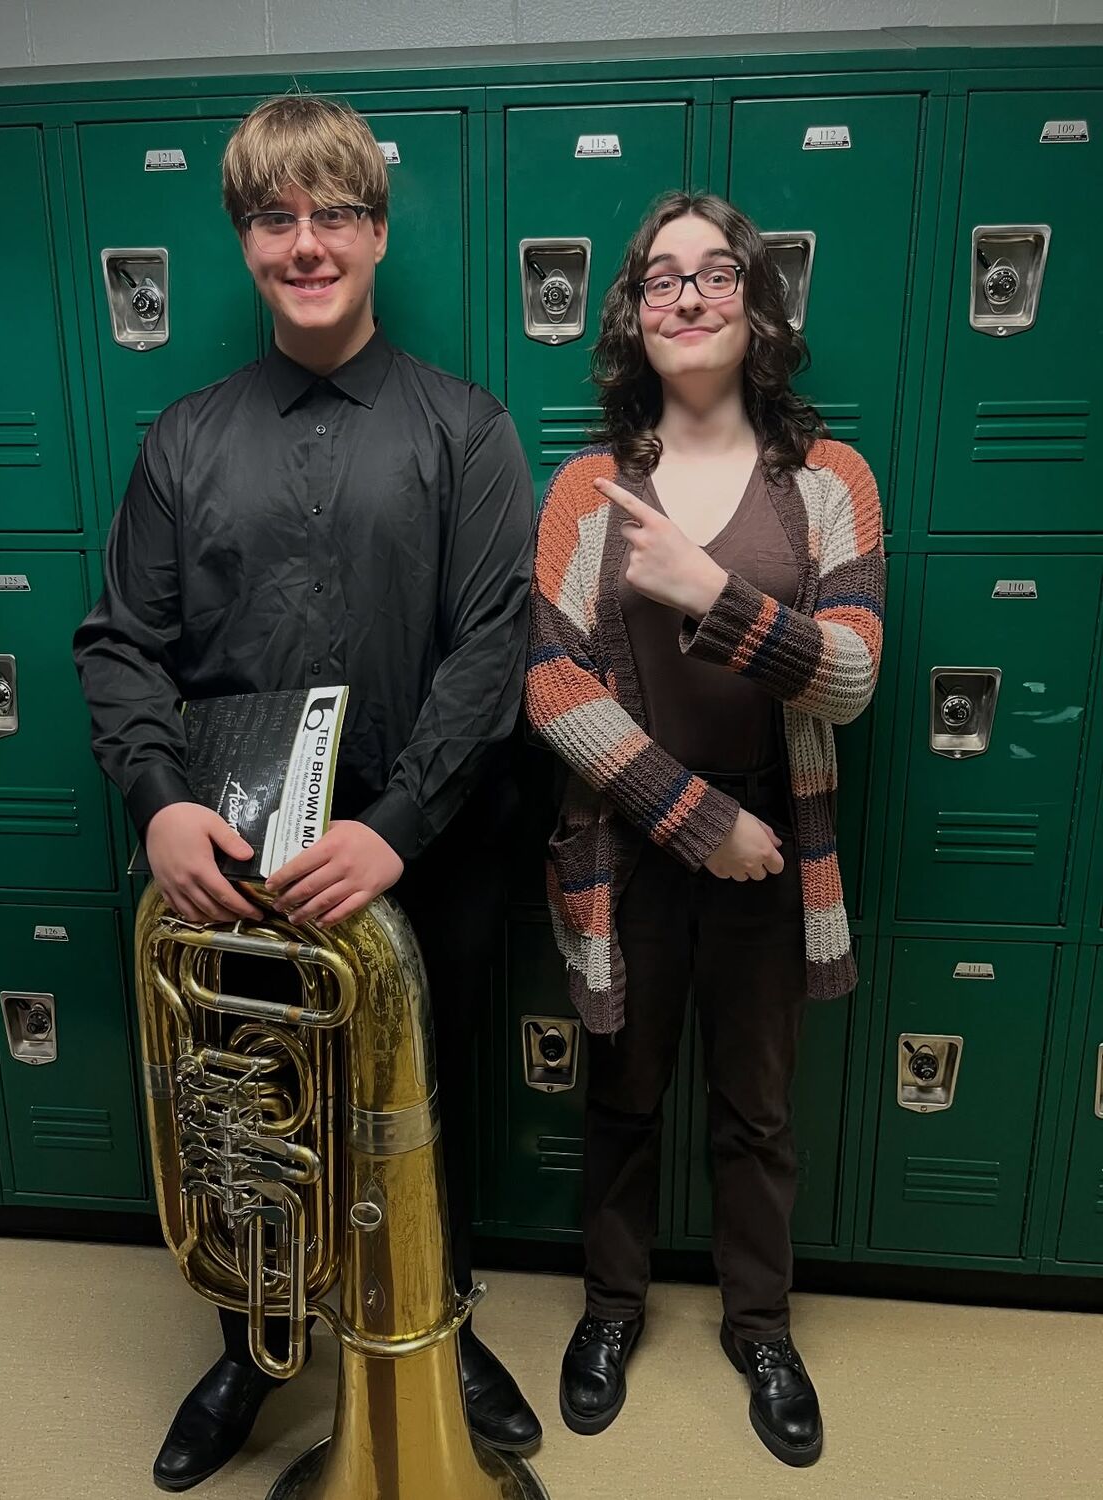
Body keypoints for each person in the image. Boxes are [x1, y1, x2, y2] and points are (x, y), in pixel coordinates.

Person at [73, 94, 540, 1493]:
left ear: (378, 232)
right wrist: (158, 802)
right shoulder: (183, 440)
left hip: (419, 857)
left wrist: (394, 830)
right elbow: (118, 644)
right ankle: (254, 1349)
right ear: (247, 243)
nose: (307, 242)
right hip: (234, 865)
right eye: (277, 218)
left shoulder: (468, 429)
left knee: (425, 1103)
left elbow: (490, 652)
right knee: (242, 1115)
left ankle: (435, 1333)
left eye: (335, 213)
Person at [524, 191, 884, 1468]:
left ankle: (761, 1328)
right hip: (636, 847)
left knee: (760, 1110)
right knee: (622, 1096)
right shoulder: (590, 488)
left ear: (756, 301)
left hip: (781, 855)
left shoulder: (830, 481)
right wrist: (692, 817)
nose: (688, 296)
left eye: (716, 273)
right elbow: (551, 684)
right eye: (661, 277)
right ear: (633, 312)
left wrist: (717, 594)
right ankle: (610, 1313)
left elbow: (850, 677)